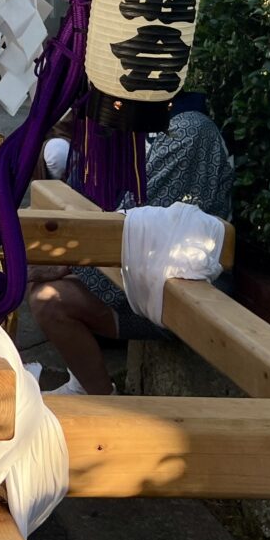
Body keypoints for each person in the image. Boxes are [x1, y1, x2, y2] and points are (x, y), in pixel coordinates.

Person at [27, 100, 234, 395]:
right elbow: (86, 197)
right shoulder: (124, 117)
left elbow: (144, 230)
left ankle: (104, 402)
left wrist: (69, 261)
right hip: (132, 268)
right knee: (40, 277)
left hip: (181, 284)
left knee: (49, 298)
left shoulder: (189, 129)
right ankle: (85, 384)